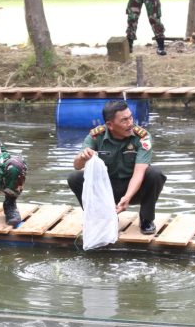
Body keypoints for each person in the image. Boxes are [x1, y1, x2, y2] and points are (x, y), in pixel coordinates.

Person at [67, 100, 167, 235]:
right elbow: (77, 166)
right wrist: (82, 157)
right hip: (106, 189)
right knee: (74, 178)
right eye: (124, 120)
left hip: (134, 189)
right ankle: (100, 218)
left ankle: (146, 219)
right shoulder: (96, 136)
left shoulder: (142, 137)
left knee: (155, 174)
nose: (130, 123)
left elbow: (139, 173)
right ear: (110, 124)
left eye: (131, 117)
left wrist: (127, 197)